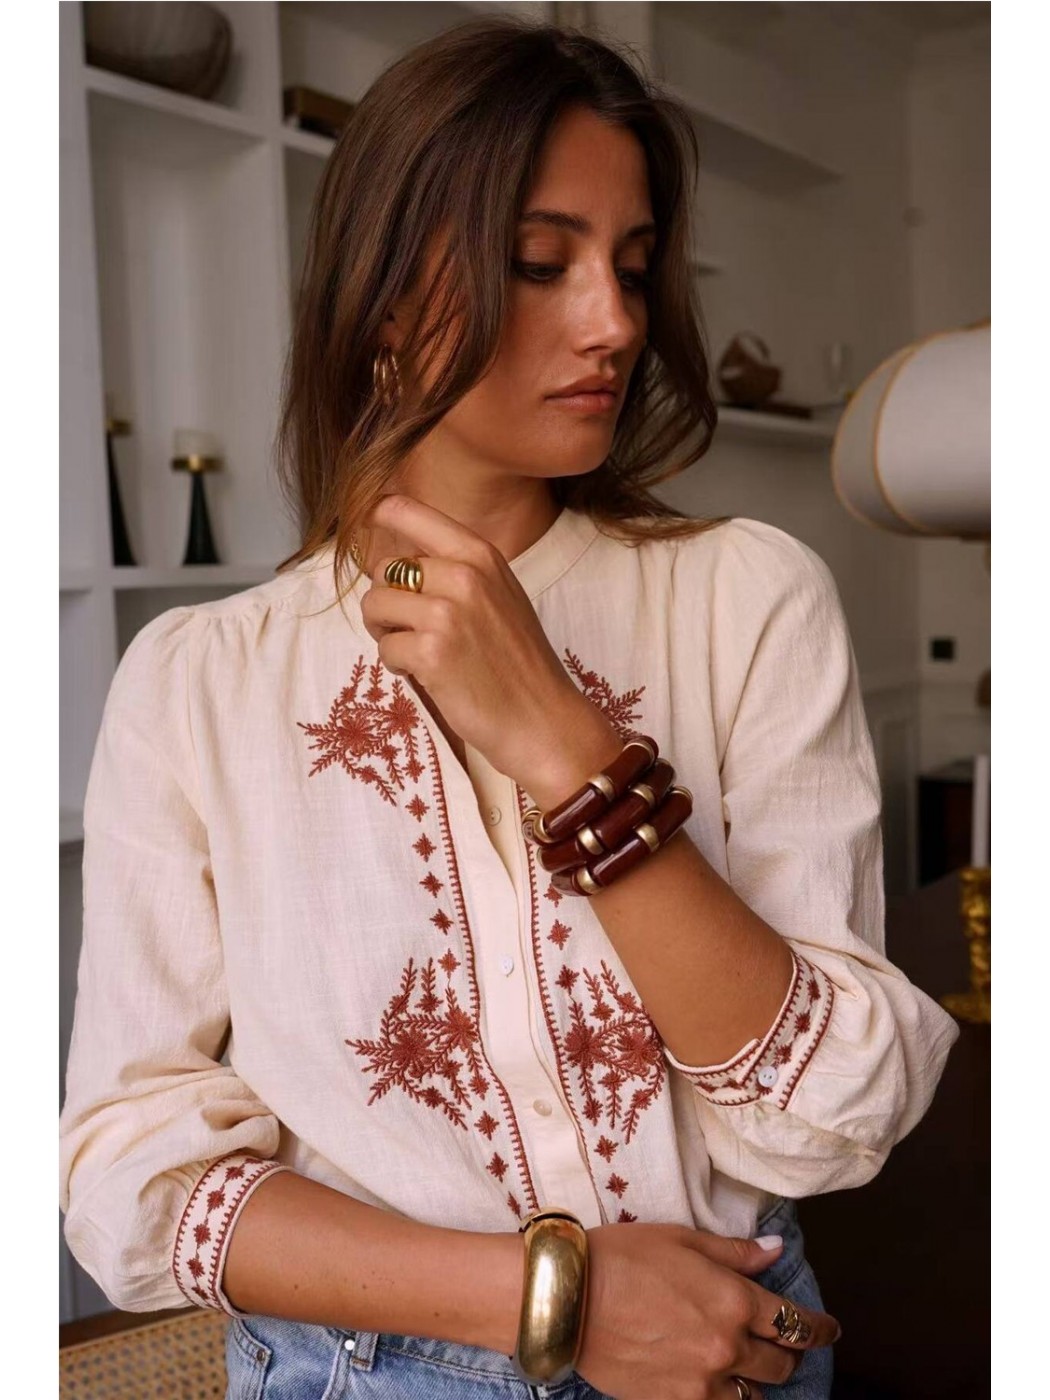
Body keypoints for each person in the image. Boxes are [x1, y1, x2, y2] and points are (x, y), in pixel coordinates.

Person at [59, 18, 959, 1400]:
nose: (614, 322)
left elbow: (827, 1118)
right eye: (540, 264)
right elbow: (129, 1175)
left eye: (632, 268)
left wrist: (565, 743)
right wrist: (554, 1299)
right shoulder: (199, 681)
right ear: (380, 293)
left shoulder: (744, 598)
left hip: (728, 1347)